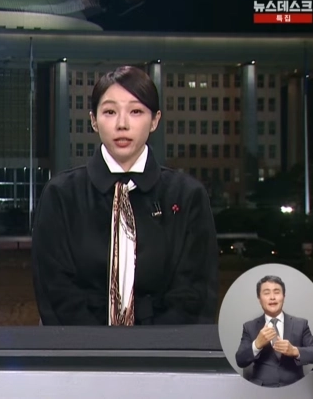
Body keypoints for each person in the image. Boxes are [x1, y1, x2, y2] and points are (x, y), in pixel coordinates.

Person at [32, 65, 218, 326]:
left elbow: (195, 291)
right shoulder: (61, 196)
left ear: (155, 120)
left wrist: (153, 346)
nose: (122, 124)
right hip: (79, 344)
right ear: (93, 120)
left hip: (167, 346)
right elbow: (55, 291)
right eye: (109, 112)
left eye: (136, 111)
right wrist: (97, 346)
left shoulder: (187, 196)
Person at [234, 275, 313, 387]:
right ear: (259, 299)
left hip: (295, 387)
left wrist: (294, 351)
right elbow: (240, 360)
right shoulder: (249, 327)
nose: (272, 297)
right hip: (261, 389)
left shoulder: (300, 324)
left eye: (276, 292)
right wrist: (257, 345)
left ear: (284, 296)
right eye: (266, 293)